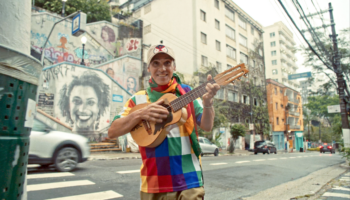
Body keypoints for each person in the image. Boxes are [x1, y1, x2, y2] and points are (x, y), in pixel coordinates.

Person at [108, 44, 220, 199]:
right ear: (149, 68)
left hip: (189, 180)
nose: (162, 68)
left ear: (174, 66)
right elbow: (113, 131)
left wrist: (208, 103)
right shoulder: (138, 99)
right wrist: (142, 113)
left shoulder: (187, 93)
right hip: (153, 183)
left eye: (167, 63)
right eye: (156, 63)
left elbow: (207, 126)